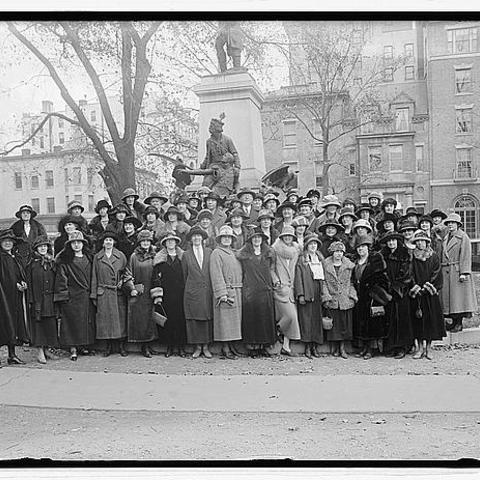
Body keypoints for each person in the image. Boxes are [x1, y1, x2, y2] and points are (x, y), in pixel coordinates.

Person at [54, 231, 96, 361]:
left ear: (83, 244)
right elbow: (62, 279)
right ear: (70, 245)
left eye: (79, 243)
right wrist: (64, 297)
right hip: (72, 297)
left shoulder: (89, 258)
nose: (77, 245)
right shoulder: (65, 261)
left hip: (86, 296)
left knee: (86, 322)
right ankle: (72, 348)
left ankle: (83, 345)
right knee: (72, 323)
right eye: (74, 243)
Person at [237, 226, 277, 358]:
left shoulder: (268, 253)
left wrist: (274, 281)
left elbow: (271, 270)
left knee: (265, 318)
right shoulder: (244, 255)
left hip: (265, 289)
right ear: (250, 240)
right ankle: (252, 347)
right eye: (254, 238)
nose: (257, 240)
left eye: (259, 237)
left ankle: (263, 346)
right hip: (251, 289)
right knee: (252, 319)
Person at [352, 234, 391, 360]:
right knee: (362, 322)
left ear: (368, 248)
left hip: (372, 295)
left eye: (363, 247)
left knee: (373, 323)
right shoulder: (356, 263)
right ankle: (364, 347)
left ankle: (372, 349)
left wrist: (375, 291)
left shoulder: (375, 262)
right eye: (359, 247)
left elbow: (382, 279)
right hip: (360, 295)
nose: (361, 249)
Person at [90, 231, 128, 357]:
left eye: (110, 240)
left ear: (114, 242)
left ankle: (121, 346)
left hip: (117, 292)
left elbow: (126, 273)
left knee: (120, 320)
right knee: (106, 321)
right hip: (104, 293)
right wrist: (94, 294)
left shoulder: (121, 256)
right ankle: (108, 347)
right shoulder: (97, 257)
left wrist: (122, 282)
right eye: (106, 240)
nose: (108, 242)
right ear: (102, 242)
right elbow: (94, 276)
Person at [409, 230, 445, 360]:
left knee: (430, 321)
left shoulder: (434, 256)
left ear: (427, 242)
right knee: (417, 320)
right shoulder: (412, 256)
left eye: (422, 241)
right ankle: (419, 348)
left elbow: (437, 273)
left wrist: (428, 286)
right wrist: (415, 287)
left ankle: (429, 348)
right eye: (417, 241)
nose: (420, 243)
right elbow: (410, 273)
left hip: (430, 293)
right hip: (417, 293)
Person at [151, 233, 187, 358]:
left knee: (180, 321)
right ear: (165, 244)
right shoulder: (160, 259)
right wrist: (158, 295)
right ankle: (170, 347)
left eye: (172, 240)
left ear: (176, 243)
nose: (170, 243)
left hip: (181, 294)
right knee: (168, 321)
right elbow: (156, 278)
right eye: (168, 241)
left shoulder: (183, 257)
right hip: (166, 294)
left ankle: (181, 347)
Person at [123, 230, 158, 357]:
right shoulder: (133, 256)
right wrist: (132, 288)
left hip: (151, 291)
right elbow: (127, 274)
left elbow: (158, 273)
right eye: (143, 241)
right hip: (138, 292)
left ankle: (149, 344)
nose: (145, 243)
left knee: (150, 319)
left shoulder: (155, 255)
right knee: (140, 319)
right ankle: (144, 347)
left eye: (147, 241)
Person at [441, 213, 478, 333]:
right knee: (450, 299)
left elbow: (466, 256)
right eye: (448, 223)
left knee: (459, 299)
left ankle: (459, 323)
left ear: (458, 224)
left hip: (457, 271)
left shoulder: (463, 237)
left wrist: (464, 272)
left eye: (453, 223)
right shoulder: (446, 237)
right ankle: (453, 322)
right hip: (447, 271)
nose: (450, 225)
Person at [379, 231, 414, 359]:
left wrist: (395, 288)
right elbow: (381, 271)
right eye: (389, 241)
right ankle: (391, 346)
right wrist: (385, 288)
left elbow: (406, 275)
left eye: (393, 240)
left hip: (401, 292)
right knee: (390, 319)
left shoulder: (404, 255)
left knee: (402, 319)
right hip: (387, 292)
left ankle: (402, 347)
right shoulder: (383, 255)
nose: (391, 243)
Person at [210, 225, 243, 359]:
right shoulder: (216, 253)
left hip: (236, 290)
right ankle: (225, 348)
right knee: (225, 322)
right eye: (224, 237)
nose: (227, 239)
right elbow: (216, 274)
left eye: (229, 237)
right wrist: (221, 293)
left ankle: (232, 346)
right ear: (220, 239)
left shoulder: (234, 253)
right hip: (226, 292)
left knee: (234, 322)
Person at [181, 225, 214, 359]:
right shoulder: (186, 254)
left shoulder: (210, 252)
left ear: (202, 238)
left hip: (207, 291)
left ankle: (206, 347)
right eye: (194, 236)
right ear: (191, 239)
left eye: (198, 236)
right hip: (192, 291)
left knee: (206, 318)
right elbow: (184, 274)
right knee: (194, 319)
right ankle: (197, 347)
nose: (196, 238)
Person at [26, 235, 59, 364]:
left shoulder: (52, 262)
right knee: (38, 325)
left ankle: (46, 349)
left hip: (49, 298)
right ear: (36, 249)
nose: (43, 248)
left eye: (45, 246)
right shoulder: (32, 264)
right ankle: (39, 350)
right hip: (37, 299)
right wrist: (30, 300)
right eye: (40, 247)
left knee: (49, 323)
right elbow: (29, 282)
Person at [322, 241, 357, 359]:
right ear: (332, 252)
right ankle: (335, 348)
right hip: (332, 298)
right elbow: (323, 282)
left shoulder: (348, 266)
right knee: (334, 325)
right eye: (336, 251)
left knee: (343, 325)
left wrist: (352, 295)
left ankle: (342, 348)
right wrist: (326, 296)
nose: (338, 254)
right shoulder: (326, 265)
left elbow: (351, 282)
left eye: (341, 252)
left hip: (344, 298)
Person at [294, 233, 326, 358]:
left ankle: (315, 346)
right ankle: (307, 346)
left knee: (316, 318)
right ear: (306, 246)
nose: (313, 246)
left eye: (315, 244)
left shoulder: (320, 259)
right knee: (307, 319)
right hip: (307, 290)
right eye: (310, 244)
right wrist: (301, 294)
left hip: (318, 290)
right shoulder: (302, 260)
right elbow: (298, 278)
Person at [271, 225, 301, 356]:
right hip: (280, 289)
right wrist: (276, 280)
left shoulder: (295, 251)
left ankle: (286, 346)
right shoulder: (275, 250)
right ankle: (277, 331)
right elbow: (270, 269)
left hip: (291, 289)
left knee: (292, 318)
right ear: (282, 237)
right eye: (285, 236)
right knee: (289, 316)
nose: (288, 238)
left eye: (290, 236)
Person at [0, 229, 28, 366]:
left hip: (15, 297)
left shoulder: (15, 258)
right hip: (3, 297)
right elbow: (5, 278)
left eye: (9, 241)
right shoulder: (1, 257)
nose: (7, 243)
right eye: (4, 241)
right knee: (3, 324)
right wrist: (14, 285)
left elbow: (18, 274)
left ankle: (12, 355)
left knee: (14, 324)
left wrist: (22, 282)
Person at [200, 115, 241, 196]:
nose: (210, 128)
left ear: (217, 128)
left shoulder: (227, 140)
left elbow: (234, 153)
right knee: (206, 183)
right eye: (210, 125)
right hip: (213, 167)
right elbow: (208, 156)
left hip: (225, 167)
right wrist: (203, 165)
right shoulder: (209, 141)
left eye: (212, 126)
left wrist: (237, 166)